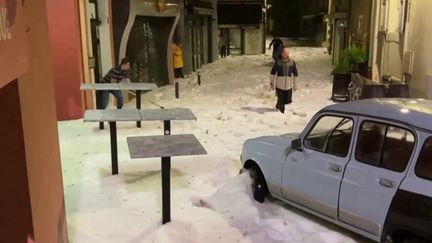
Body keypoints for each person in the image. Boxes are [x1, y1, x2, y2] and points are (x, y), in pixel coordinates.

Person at [270, 47, 298, 113]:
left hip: (288, 86)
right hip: (279, 85)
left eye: (286, 53)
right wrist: (272, 83)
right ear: (282, 54)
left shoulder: (292, 62)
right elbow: (272, 73)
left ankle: (278, 105)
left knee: (288, 100)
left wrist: (295, 85)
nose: (285, 54)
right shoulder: (278, 62)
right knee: (281, 101)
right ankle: (281, 113)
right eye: (284, 53)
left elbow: (295, 74)